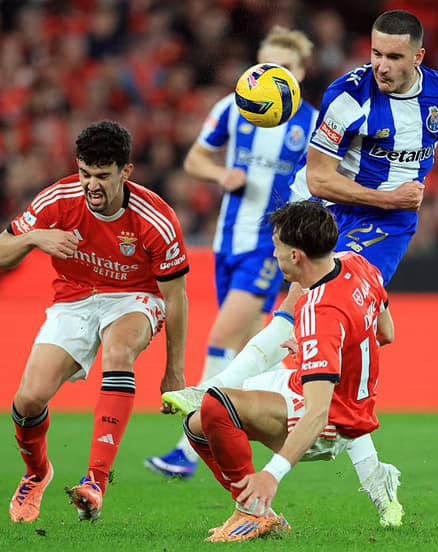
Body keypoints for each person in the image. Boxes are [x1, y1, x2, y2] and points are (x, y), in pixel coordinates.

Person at [163, 9, 438, 527]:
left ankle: (219, 393)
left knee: (314, 312)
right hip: (332, 205)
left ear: (418, 56)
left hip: (384, 230)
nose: (381, 65)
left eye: (393, 56)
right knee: (303, 313)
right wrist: (387, 195)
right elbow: (321, 178)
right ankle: (356, 464)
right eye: (375, 53)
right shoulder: (348, 96)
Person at [0, 120, 189, 523]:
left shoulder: (156, 220)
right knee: (28, 401)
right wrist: (34, 238)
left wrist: (174, 371)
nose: (90, 184)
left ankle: (95, 482)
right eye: (84, 173)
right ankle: (36, 473)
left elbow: (175, 298)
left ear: (125, 172)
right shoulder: (58, 200)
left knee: (118, 350)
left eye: (102, 175)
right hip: (75, 298)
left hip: (135, 298)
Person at [144, 26, 319, 479]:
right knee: (249, 351)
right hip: (228, 242)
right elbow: (194, 159)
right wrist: (221, 176)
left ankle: (187, 445)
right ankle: (294, 420)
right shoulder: (232, 107)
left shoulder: (314, 124)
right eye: (265, 66)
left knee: (222, 337)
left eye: (285, 68)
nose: (271, 76)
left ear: (299, 75)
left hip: (271, 245)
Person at [183, 200, 397, 542]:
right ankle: (260, 513)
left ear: (296, 255)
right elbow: (386, 333)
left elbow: (317, 413)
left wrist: (272, 474)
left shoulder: (317, 310)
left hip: (329, 423)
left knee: (216, 406)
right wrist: (319, 353)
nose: (274, 255)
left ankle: (251, 511)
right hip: (338, 398)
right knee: (197, 422)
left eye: (277, 247)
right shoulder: (358, 264)